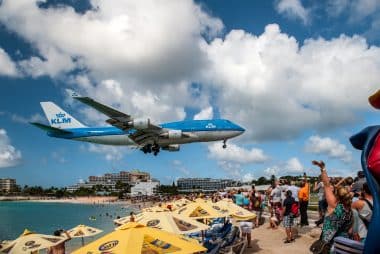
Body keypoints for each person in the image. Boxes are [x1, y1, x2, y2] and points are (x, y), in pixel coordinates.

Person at [312, 160, 353, 252]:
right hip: (343, 244)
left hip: (328, 243)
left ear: (337, 196)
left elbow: (326, 184)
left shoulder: (333, 205)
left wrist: (322, 168)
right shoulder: (350, 210)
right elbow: (350, 230)